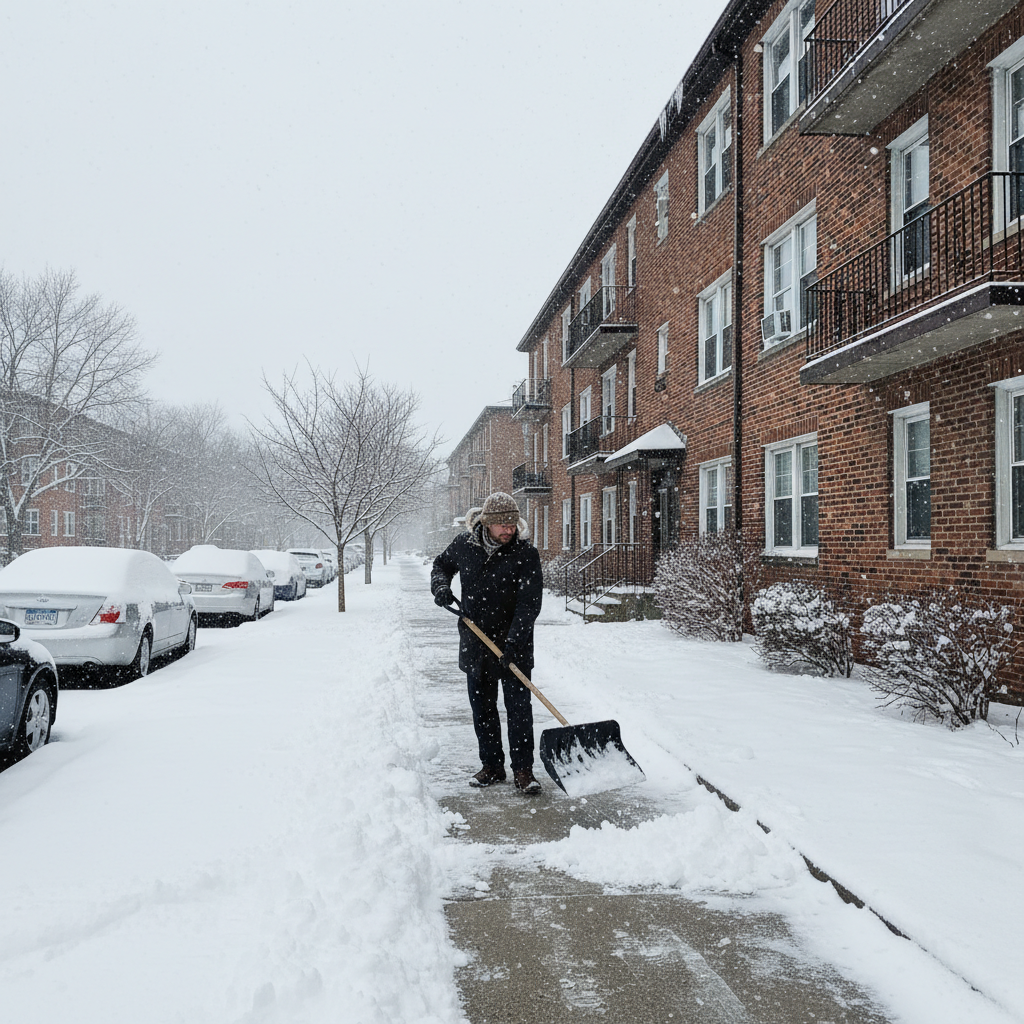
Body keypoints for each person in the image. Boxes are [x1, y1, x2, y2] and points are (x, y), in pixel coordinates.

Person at [431, 491, 544, 794]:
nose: (509, 529)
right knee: (483, 709)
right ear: (487, 523)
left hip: (513, 645)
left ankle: (523, 771)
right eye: (503, 524)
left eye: (513, 524)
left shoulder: (525, 554)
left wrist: (514, 642)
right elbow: (441, 565)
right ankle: (492, 766)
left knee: (519, 710)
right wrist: (440, 586)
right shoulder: (464, 545)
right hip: (476, 642)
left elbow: (529, 604)